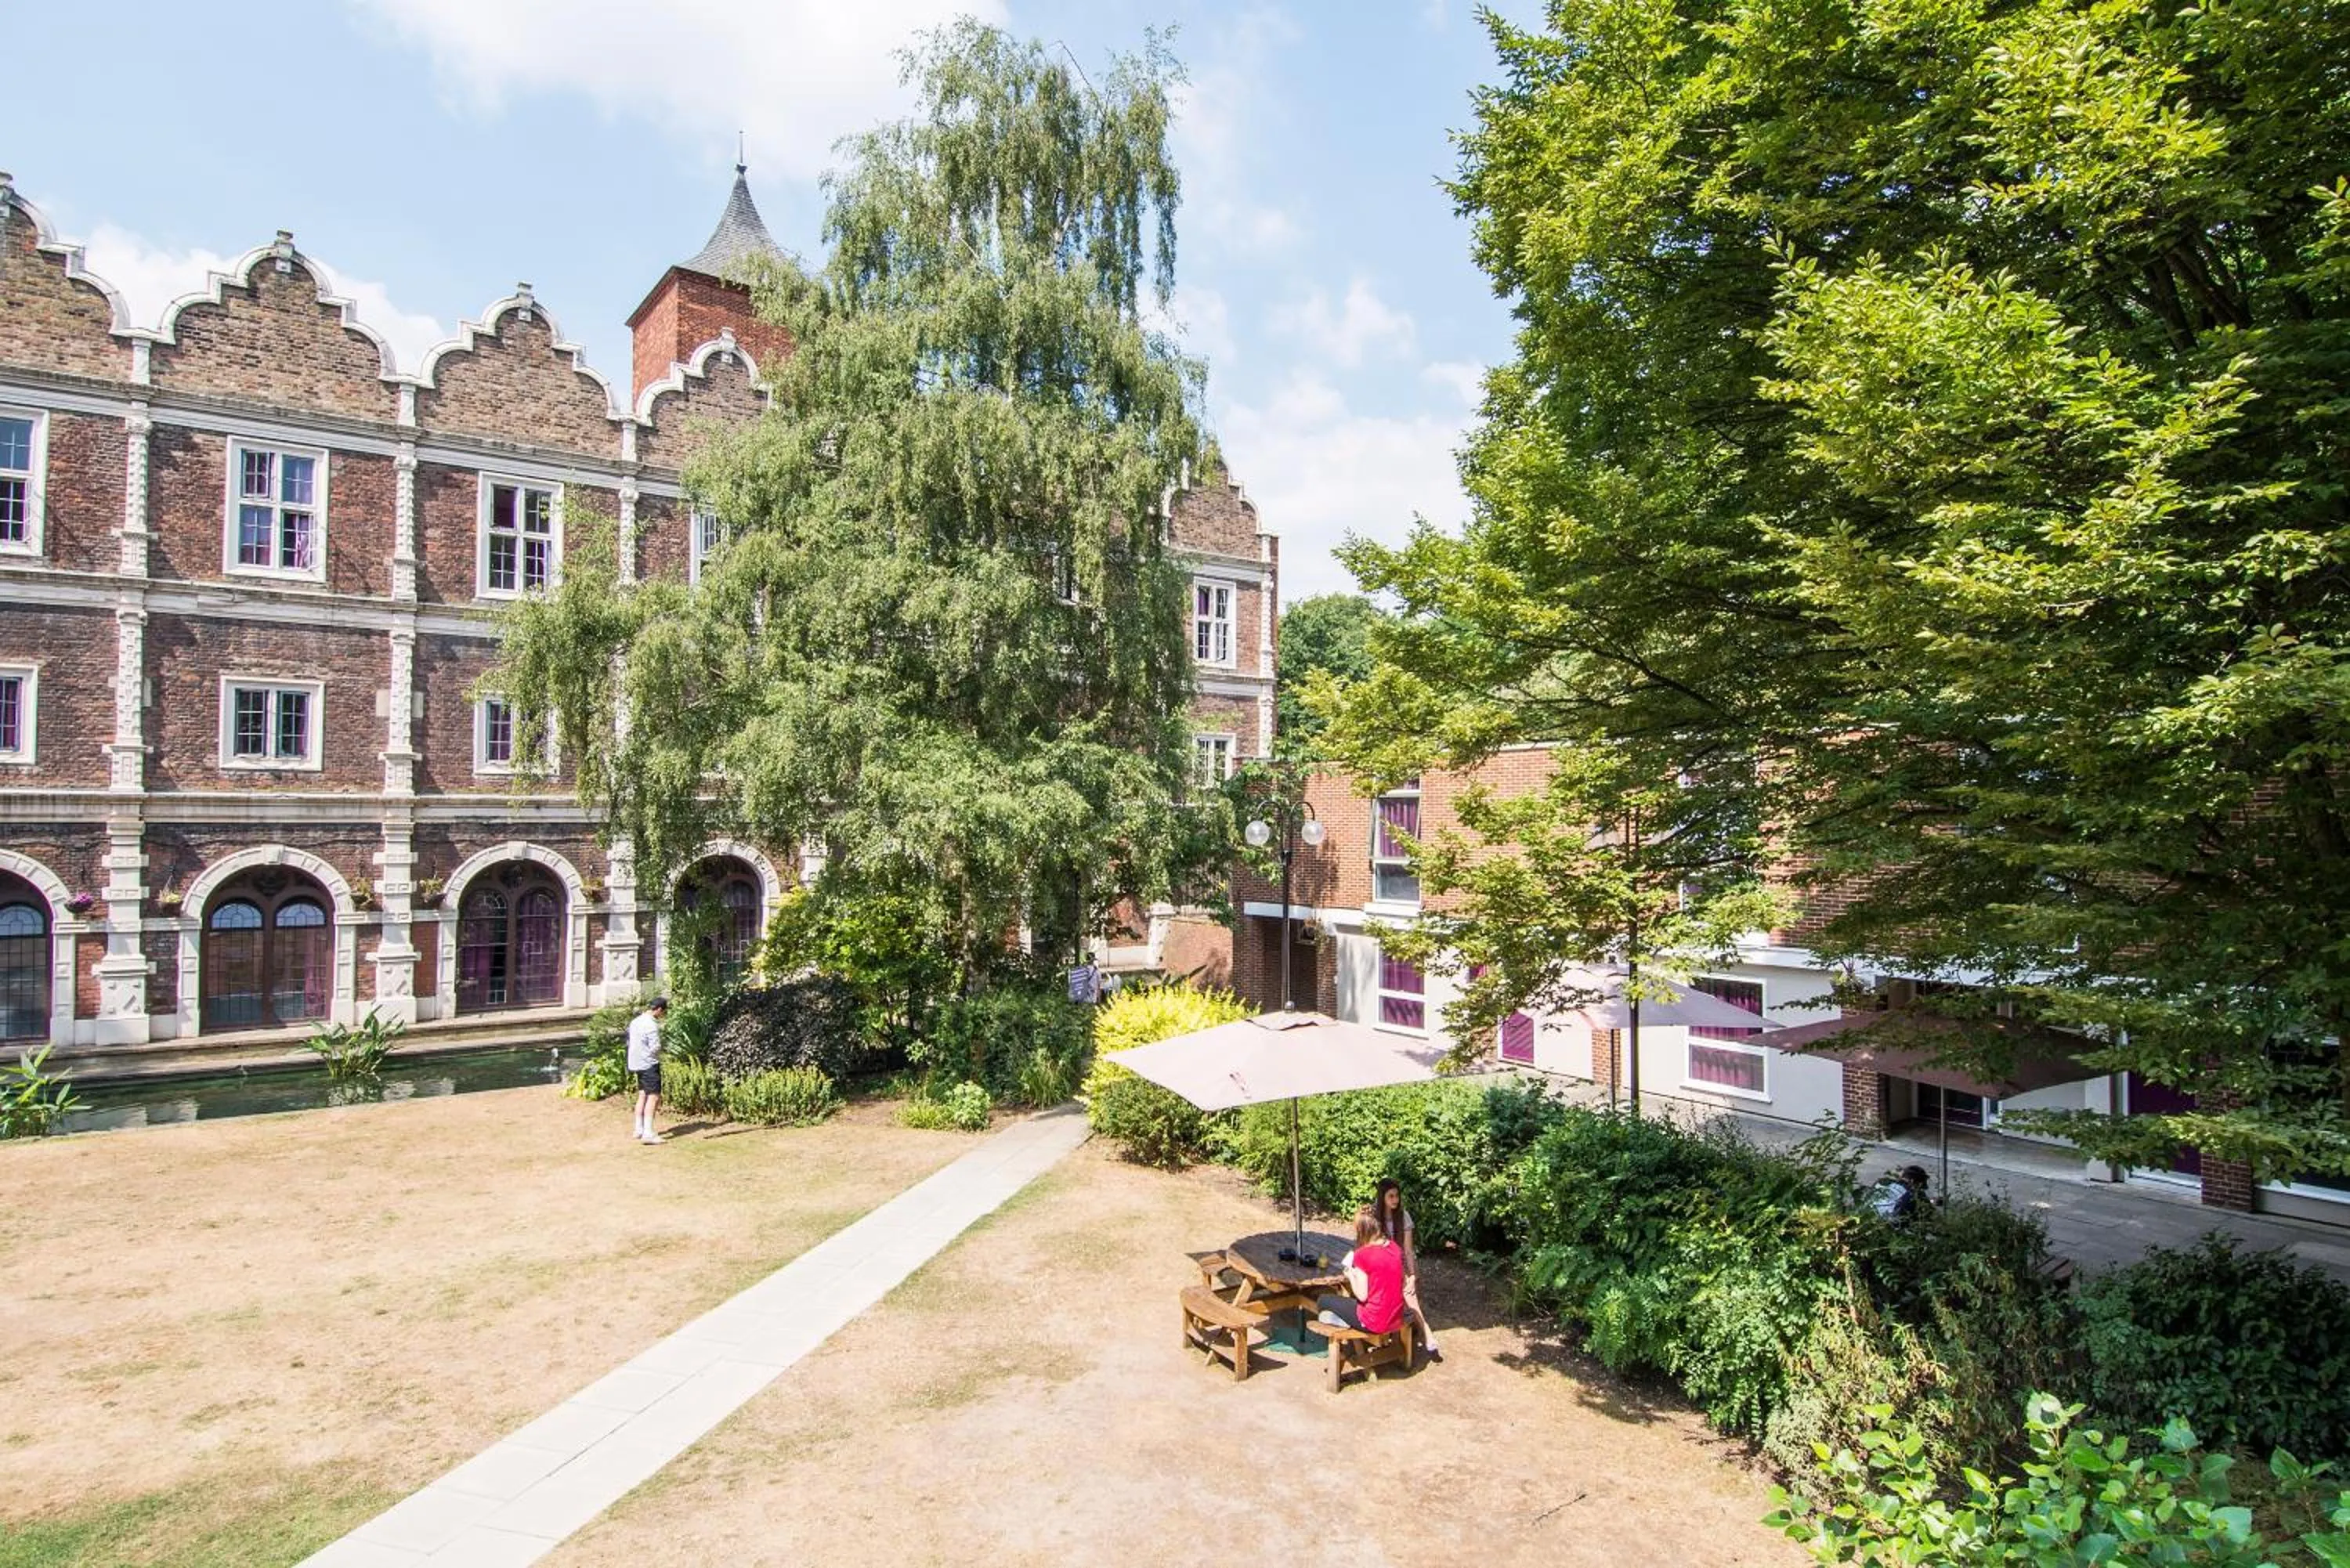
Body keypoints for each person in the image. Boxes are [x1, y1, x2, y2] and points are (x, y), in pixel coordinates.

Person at [1373, 1176, 1444, 1362]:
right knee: (1403, 1291)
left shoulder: (1403, 1217)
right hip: (1381, 1264)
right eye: (1391, 1196)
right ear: (1382, 1197)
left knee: (1409, 1289)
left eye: (1397, 1196)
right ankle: (1425, 1332)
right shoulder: (1373, 1217)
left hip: (1401, 1263)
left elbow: (1408, 1251)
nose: (1395, 1200)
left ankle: (1422, 1331)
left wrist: (1411, 1275)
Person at [1318, 1206, 1407, 1345]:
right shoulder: (1395, 1248)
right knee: (1348, 1304)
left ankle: (1344, 1323)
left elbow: (1362, 1295)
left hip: (1374, 1321)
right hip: (1395, 1317)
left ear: (1361, 1231)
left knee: (1323, 1300)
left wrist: (1351, 1275)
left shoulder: (1362, 1255)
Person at [627, 995, 669, 1146]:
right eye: (663, 1012)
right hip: (648, 1064)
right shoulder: (651, 1025)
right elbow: (655, 1047)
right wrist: (663, 1052)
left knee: (643, 1094)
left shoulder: (635, 1021)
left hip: (636, 1063)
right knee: (654, 1096)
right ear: (659, 1010)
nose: (663, 1015)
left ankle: (639, 1129)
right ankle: (648, 1133)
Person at [1867, 1164, 1932, 1223]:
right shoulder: (1913, 1194)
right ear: (1912, 1181)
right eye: (1919, 1186)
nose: (1920, 1189)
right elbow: (1930, 1213)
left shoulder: (1882, 1182)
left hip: (1867, 1216)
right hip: (1888, 1224)